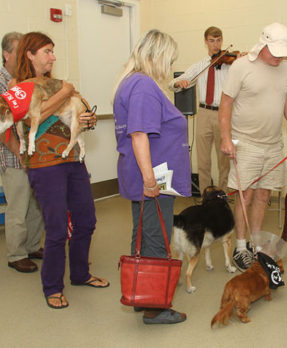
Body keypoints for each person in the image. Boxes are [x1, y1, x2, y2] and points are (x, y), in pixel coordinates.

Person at [11, 32, 108, 309]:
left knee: (87, 220)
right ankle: (52, 286)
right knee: (55, 230)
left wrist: (87, 119)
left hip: (73, 159)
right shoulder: (19, 86)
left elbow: (81, 115)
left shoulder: (57, 83)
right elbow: (33, 117)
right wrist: (65, 92)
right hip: (44, 165)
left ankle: (80, 274)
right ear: (29, 54)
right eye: (47, 51)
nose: (53, 56)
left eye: (53, 51)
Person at [113, 29, 191, 325]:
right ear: (154, 57)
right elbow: (139, 134)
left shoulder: (130, 82)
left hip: (147, 171)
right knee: (157, 235)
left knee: (144, 232)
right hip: (155, 174)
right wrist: (150, 179)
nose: (169, 67)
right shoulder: (143, 86)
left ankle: (141, 292)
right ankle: (155, 307)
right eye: (168, 60)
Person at [219, 23, 287, 272]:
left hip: (273, 144)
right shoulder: (242, 66)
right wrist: (226, 138)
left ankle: (257, 246)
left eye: (283, 52)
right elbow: (225, 105)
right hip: (245, 142)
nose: (280, 58)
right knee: (245, 195)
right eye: (275, 52)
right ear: (263, 45)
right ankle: (240, 247)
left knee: (264, 195)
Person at [0, 32, 45, 273]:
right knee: (18, 205)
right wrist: (19, 152)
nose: (24, 56)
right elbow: (1, 125)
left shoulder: (27, 79)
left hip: (34, 153)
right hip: (13, 154)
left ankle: (31, 246)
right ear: (6, 54)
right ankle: (16, 254)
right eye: (19, 52)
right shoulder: (2, 81)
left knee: (36, 204)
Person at [169, 26, 230, 194]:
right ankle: (206, 197)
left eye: (218, 40)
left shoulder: (230, 65)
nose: (216, 45)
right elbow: (174, 83)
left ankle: (223, 196)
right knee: (203, 160)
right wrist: (178, 83)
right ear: (205, 42)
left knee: (224, 159)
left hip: (223, 113)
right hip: (203, 113)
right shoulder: (200, 66)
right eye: (212, 41)